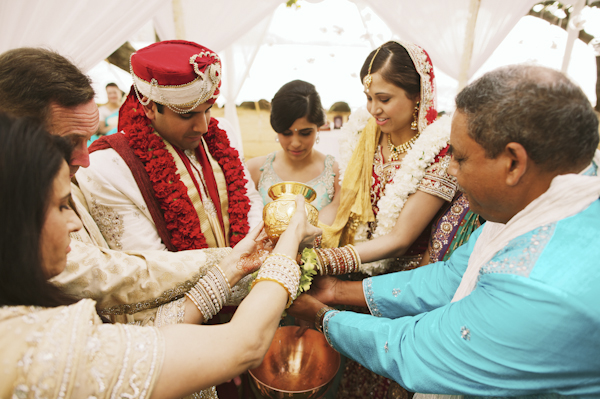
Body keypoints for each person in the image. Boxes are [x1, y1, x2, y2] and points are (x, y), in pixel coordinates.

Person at [290, 65, 600, 398]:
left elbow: (415, 351)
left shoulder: (540, 288)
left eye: (460, 158)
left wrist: (323, 317)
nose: (451, 170)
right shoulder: (544, 203)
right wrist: (336, 291)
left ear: (513, 163)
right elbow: (451, 276)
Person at [0, 113, 320, 399]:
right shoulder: (40, 348)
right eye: (61, 205)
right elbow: (243, 345)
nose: (74, 223)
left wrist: (232, 269)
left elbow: (146, 337)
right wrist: (288, 241)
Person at [78, 40, 263, 253]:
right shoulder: (109, 167)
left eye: (208, 109)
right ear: (149, 106)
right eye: (187, 114)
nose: (203, 127)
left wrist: (253, 255)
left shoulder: (223, 132)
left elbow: (249, 198)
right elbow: (149, 263)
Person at [319, 41, 479, 276]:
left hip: (404, 281)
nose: (373, 109)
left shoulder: (441, 150)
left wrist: (328, 259)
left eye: (384, 99)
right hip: (350, 263)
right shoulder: (364, 134)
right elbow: (340, 204)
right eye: (368, 98)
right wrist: (310, 236)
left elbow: (400, 238)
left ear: (417, 95)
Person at [247, 80, 341, 220]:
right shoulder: (254, 170)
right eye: (287, 133)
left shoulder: (336, 173)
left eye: (305, 133)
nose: (296, 143)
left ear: (319, 127)